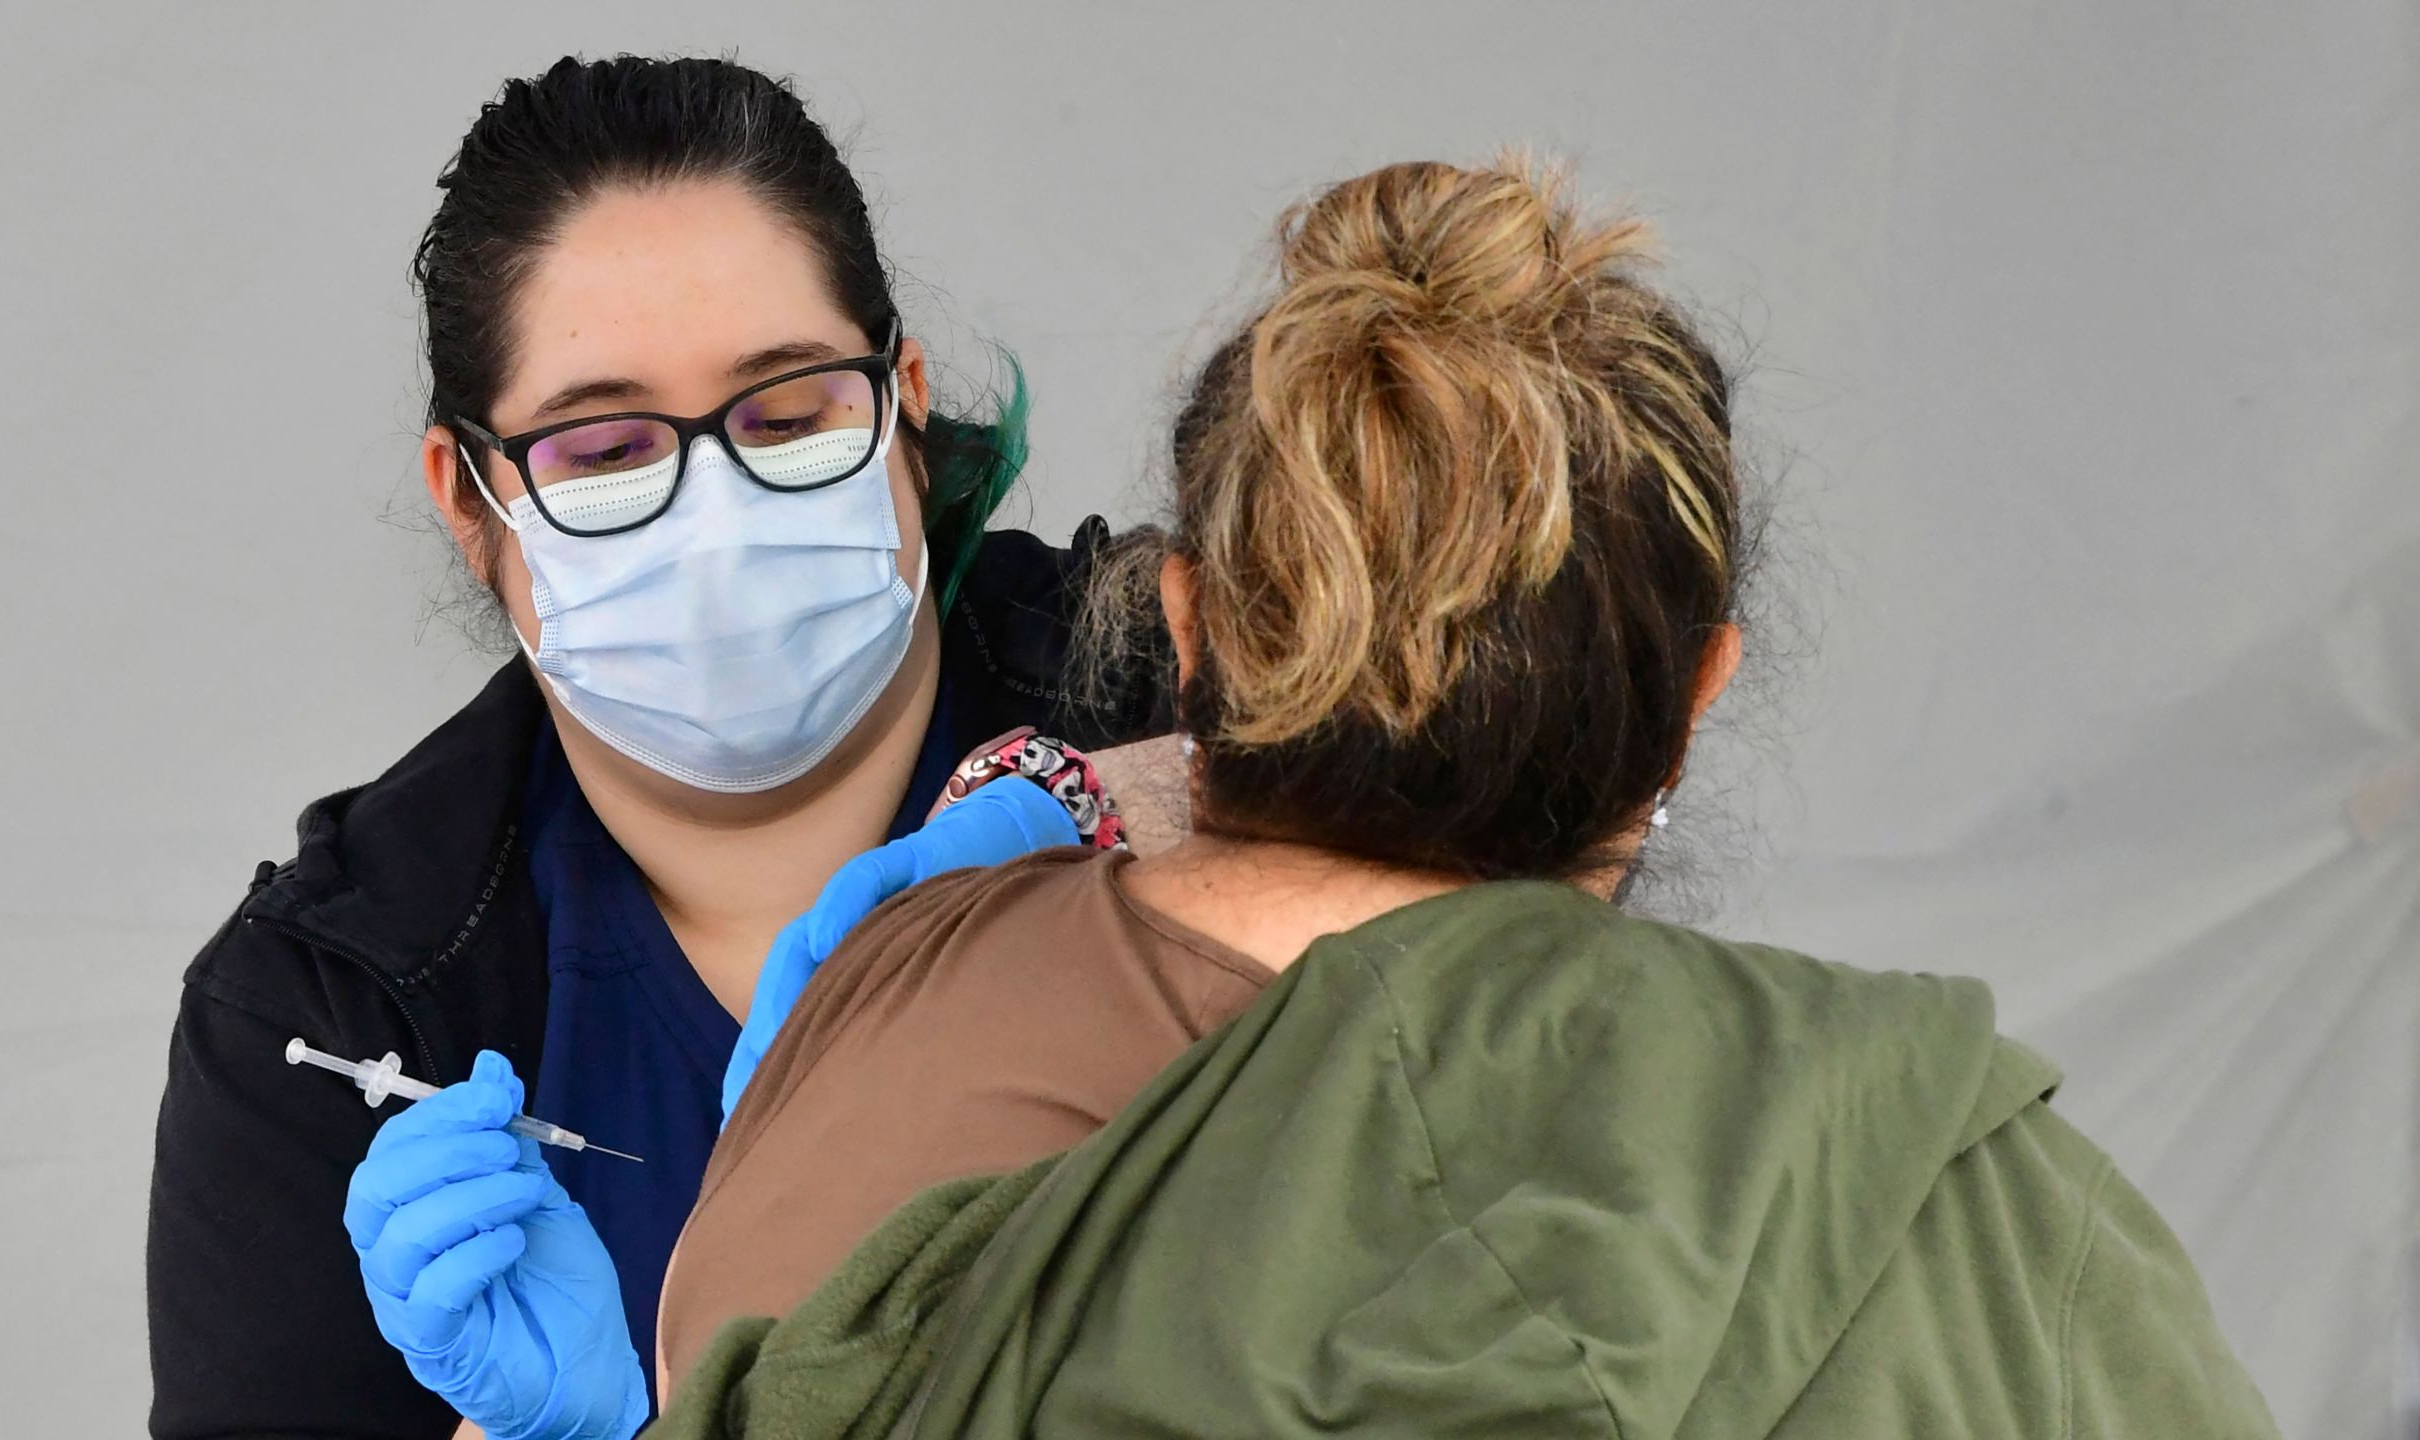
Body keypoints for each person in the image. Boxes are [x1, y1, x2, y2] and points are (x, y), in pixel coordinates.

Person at [351, 158, 2280, 1438]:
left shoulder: (883, 1045)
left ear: (1184, 622)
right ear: (1696, 699)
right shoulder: (1978, 1210)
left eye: (785, 409)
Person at [142, 55, 1168, 1439]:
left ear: (905, 407)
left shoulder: (1187, 683)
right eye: (606, 450)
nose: (717, 511)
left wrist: (1166, 801)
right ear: (471, 500)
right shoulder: (338, 1009)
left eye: (792, 414)